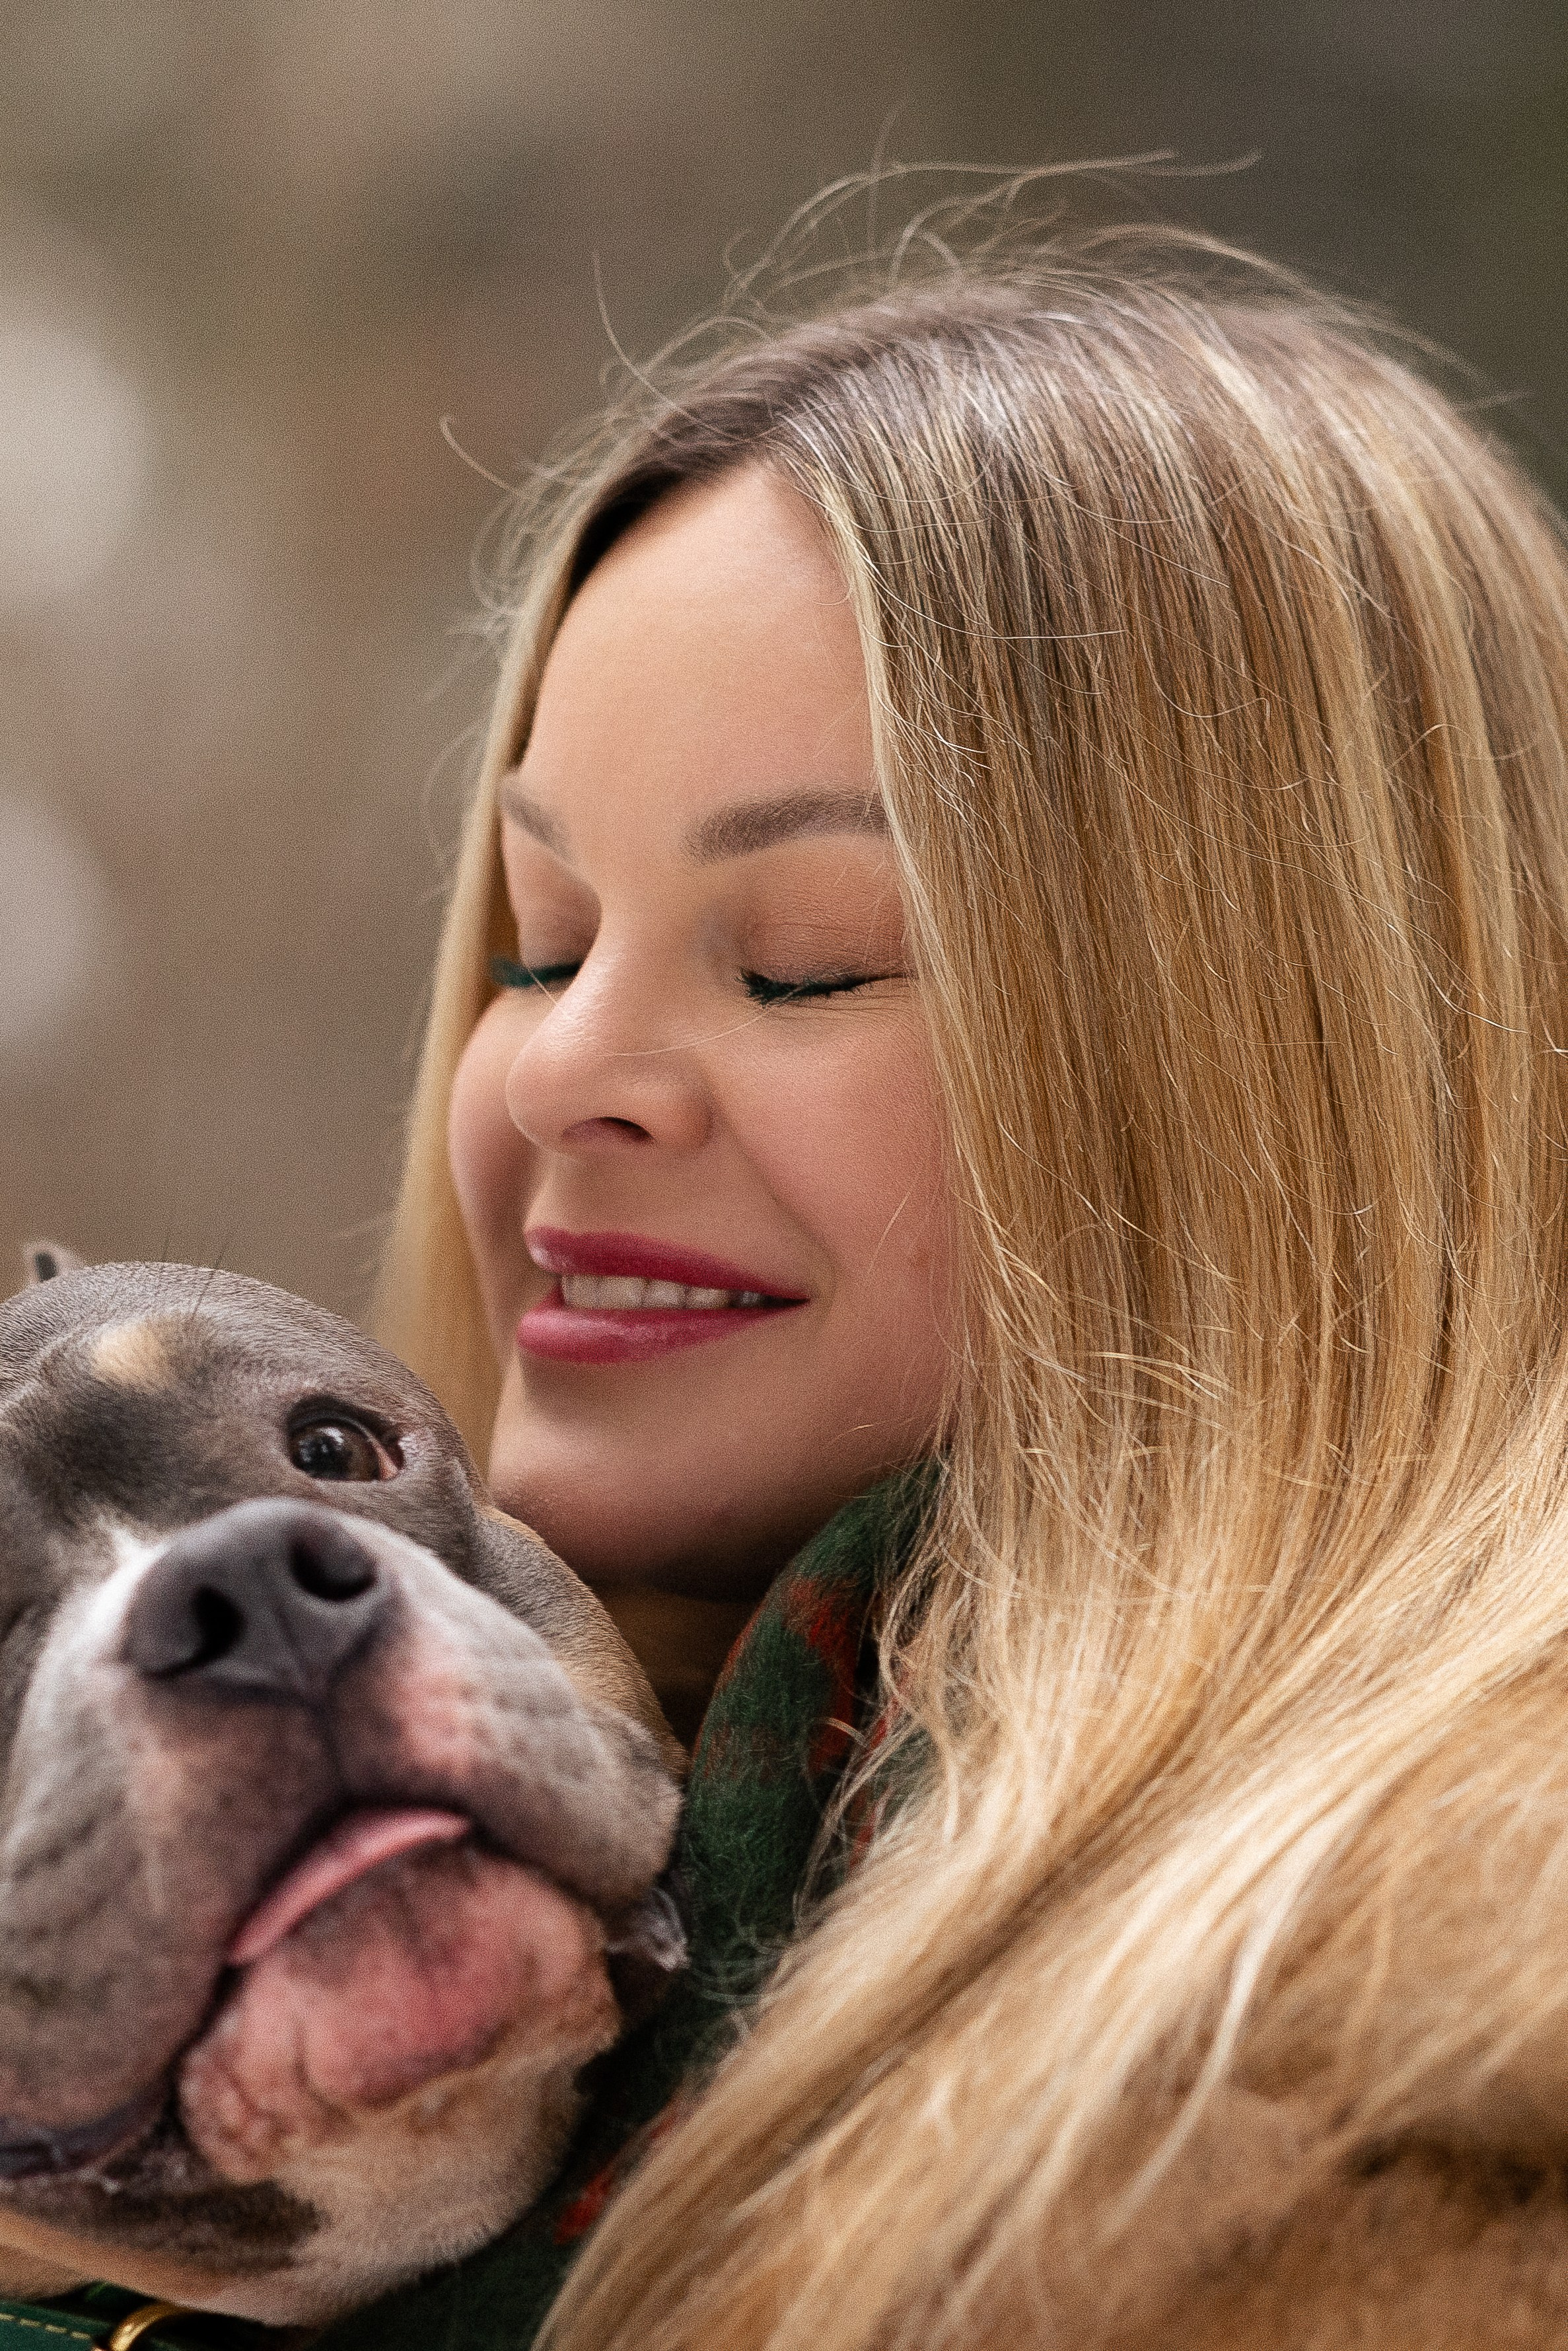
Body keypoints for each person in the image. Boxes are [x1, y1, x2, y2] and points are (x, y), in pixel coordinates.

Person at [360, 196, 1568, 2349]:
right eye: (538, 944)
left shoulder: (1419, 2129)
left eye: (801, 957)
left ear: (1287, 1054)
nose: (560, 1072)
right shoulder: (243, 1921)